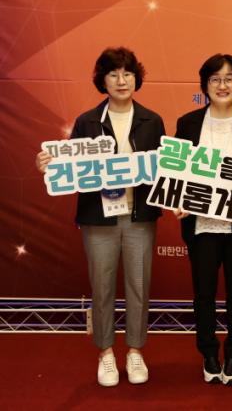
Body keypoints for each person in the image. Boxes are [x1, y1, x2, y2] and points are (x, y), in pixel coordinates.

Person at [35, 47, 165, 387]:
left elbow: (164, 169)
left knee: (139, 286)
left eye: (128, 74)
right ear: (102, 81)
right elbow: (70, 166)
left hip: (139, 216)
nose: (121, 81)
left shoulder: (152, 120)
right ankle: (105, 352)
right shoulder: (87, 121)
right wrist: (50, 165)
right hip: (98, 218)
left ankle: (135, 351)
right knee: (102, 287)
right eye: (113, 74)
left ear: (136, 78)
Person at [173, 54, 232, 385]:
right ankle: (208, 353)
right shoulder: (188, 123)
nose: (223, 85)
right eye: (215, 79)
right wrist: (177, 199)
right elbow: (175, 172)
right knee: (204, 294)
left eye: (230, 78)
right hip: (200, 225)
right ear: (205, 85)